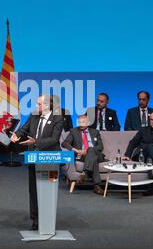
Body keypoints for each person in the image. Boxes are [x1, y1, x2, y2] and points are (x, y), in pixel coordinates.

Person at [10, 95, 63, 231]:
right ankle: (35, 219)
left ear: (47, 105)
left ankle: (48, 218)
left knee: (49, 190)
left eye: (39, 104)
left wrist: (36, 142)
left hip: (51, 161)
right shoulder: (34, 115)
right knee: (34, 190)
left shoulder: (57, 118)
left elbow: (54, 139)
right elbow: (25, 129)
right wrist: (16, 134)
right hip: (34, 159)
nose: (36, 106)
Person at [62, 114, 105, 195]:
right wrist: (76, 150)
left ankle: (84, 173)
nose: (81, 124)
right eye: (79, 122)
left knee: (91, 150)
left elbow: (100, 147)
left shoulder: (95, 132)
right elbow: (64, 143)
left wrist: (88, 151)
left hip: (97, 154)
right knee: (93, 159)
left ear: (88, 122)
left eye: (83, 122)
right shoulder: (73, 131)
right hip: (82, 156)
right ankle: (97, 186)